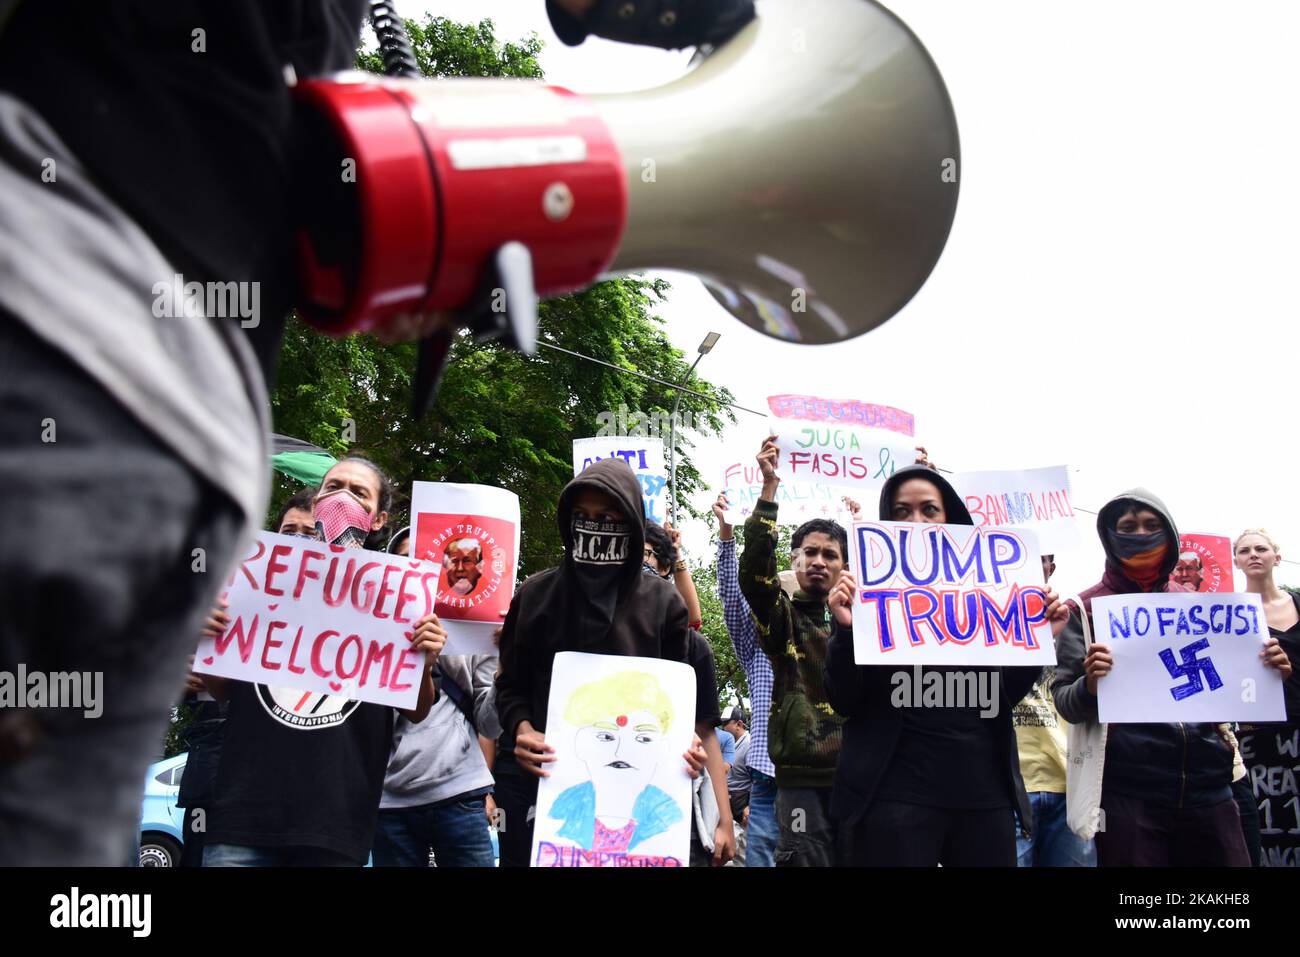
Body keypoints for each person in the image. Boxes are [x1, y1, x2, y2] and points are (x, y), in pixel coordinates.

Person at [0, 0, 753, 865]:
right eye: (336, 487)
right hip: (121, 377)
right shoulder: (534, 597)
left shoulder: (655, 606)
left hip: (132, 387)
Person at [199, 458, 446, 866]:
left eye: (358, 491)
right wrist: (210, 637)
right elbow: (223, 691)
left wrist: (423, 658)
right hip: (244, 812)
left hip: (335, 822)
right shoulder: (260, 580)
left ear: (379, 518)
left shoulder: (397, 599)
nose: (342, 497)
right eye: (333, 487)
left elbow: (417, 709)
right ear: (316, 502)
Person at [494, 457, 733, 864]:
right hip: (543, 797)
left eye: (607, 516)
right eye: (581, 516)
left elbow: (676, 710)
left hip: (644, 813)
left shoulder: (664, 605)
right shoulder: (534, 597)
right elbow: (509, 685)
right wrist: (522, 728)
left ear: (633, 524)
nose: (593, 525)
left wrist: (684, 746)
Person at [825, 465, 1061, 866]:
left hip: (982, 793)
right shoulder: (866, 596)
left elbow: (997, 698)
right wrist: (846, 631)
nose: (916, 522)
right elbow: (844, 699)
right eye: (902, 511)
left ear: (951, 517)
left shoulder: (986, 597)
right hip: (894, 794)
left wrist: (1038, 642)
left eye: (929, 510)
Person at [1051, 492, 1291, 866]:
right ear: (1109, 537)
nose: (1141, 535)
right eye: (1128, 528)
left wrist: (1267, 675)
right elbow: (1065, 702)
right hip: (1130, 794)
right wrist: (1090, 685)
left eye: (1152, 526)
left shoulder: (1200, 606)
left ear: (1170, 534)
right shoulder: (1084, 610)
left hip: (1211, 786)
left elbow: (1240, 708)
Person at [739, 436, 848, 866]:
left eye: (830, 554)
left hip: (860, 777)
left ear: (845, 564)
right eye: (810, 553)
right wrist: (769, 490)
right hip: (799, 783)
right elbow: (754, 577)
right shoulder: (780, 618)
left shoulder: (869, 623)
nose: (819, 561)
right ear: (795, 562)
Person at [1010, 554, 1097, 867]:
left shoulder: (1077, 620)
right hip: (1008, 789)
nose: (1031, 564)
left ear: (1051, 567)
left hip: (1070, 787)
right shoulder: (981, 624)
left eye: (1039, 557)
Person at [711, 492, 779, 866]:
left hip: (822, 784)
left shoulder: (826, 642)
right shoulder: (758, 653)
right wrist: (726, 536)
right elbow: (732, 600)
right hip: (767, 783)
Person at [1233, 528, 1299, 866]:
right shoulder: (1231, 615)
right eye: (1245, 551)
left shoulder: (1298, 604)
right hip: (1259, 734)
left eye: (1261, 548)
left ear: (1277, 555)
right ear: (1236, 561)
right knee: (1268, 825)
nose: (1253, 554)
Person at [644, 521, 704, 630]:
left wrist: (674, 552)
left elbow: (692, 623)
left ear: (664, 567)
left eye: (643, 553)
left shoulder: (663, 616)